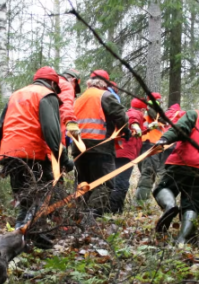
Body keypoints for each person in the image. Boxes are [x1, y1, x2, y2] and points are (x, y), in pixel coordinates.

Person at [0, 66, 72, 246]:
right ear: (52, 83)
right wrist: (64, 160)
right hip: (34, 154)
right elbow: (52, 132)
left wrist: (4, 154)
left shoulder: (16, 95)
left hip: (12, 155)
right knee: (41, 199)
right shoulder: (47, 95)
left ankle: (26, 242)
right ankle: (23, 241)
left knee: (25, 201)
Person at [152, 101, 199, 245]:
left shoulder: (195, 115)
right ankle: (182, 240)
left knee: (164, 188)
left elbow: (180, 128)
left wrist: (165, 138)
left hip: (183, 161)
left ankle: (170, 206)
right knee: (193, 205)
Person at [72, 69, 130, 216]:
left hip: (78, 148)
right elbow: (120, 115)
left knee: (84, 183)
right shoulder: (105, 95)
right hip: (100, 146)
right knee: (104, 182)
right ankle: (92, 215)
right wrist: (125, 130)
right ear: (104, 83)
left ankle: (79, 214)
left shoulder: (78, 99)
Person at [110, 98, 145, 214]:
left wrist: (148, 128)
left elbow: (140, 132)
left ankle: (115, 207)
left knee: (119, 180)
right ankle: (114, 209)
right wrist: (136, 125)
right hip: (125, 154)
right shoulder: (135, 113)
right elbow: (133, 120)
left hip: (120, 152)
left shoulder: (132, 113)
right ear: (143, 108)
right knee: (122, 182)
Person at [134, 92, 167, 202]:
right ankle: (141, 201)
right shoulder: (152, 109)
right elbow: (162, 119)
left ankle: (143, 199)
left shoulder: (148, 111)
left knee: (148, 172)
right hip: (150, 143)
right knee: (148, 172)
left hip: (150, 144)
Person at [58, 69, 82, 148]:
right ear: (74, 80)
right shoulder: (66, 85)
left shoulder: (50, 83)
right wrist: (73, 130)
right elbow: (66, 108)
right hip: (57, 136)